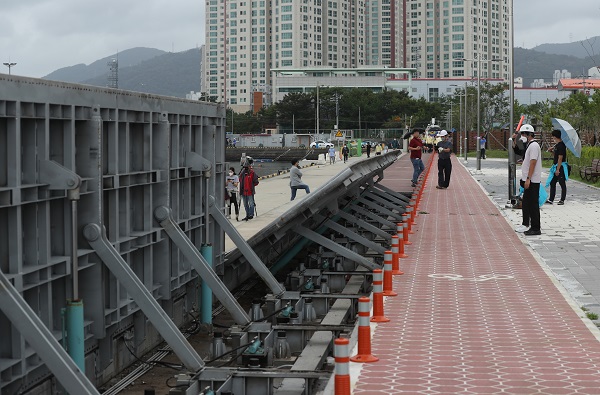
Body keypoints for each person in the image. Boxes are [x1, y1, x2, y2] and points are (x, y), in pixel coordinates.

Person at [514, 124, 542, 235]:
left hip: (532, 180)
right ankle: (526, 223)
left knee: (533, 204)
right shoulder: (529, 145)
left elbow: (533, 162)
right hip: (528, 179)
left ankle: (535, 228)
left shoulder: (534, 146)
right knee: (526, 203)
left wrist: (528, 178)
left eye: (523, 134)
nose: (522, 136)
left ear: (529, 134)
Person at [546, 129, 568, 205]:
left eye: (553, 137)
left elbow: (560, 158)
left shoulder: (561, 145)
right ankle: (551, 199)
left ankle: (562, 199)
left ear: (555, 137)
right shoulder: (557, 145)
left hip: (560, 167)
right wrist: (551, 151)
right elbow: (556, 156)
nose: (553, 139)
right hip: (556, 166)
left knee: (562, 183)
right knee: (552, 182)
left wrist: (558, 169)